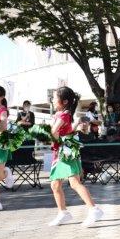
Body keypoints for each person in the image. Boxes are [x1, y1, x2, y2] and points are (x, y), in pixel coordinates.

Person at [47, 86, 104, 227]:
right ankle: (63, 213)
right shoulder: (62, 114)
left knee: (74, 183)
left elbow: (54, 132)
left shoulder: (63, 115)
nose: (52, 100)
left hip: (65, 153)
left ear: (64, 101)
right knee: (55, 184)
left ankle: (94, 209)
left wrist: (47, 135)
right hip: (61, 152)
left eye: (55, 97)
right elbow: (67, 131)